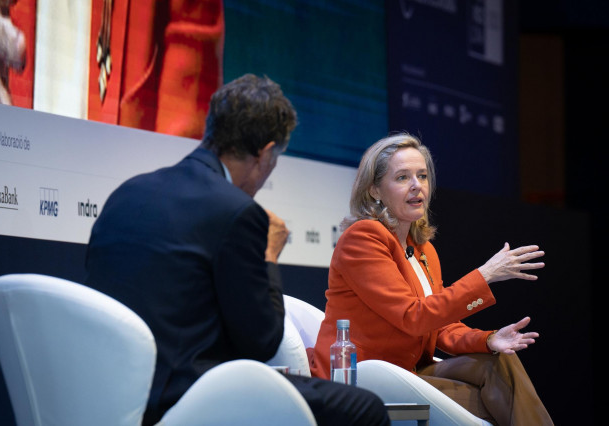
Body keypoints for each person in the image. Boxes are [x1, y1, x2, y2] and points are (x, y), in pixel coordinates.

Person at [84, 73, 389, 426]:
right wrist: (269, 255)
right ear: (266, 154)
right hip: (186, 396)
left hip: (106, 391)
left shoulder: (127, 192)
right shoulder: (236, 211)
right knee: (366, 409)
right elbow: (262, 342)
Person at [309, 132, 554, 426]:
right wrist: (484, 275)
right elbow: (414, 317)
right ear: (375, 190)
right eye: (402, 178)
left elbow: (441, 327)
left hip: (409, 373)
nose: (417, 186)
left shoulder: (424, 249)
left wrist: (489, 339)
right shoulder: (363, 238)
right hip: (366, 381)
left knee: (502, 360)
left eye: (422, 176)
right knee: (502, 403)